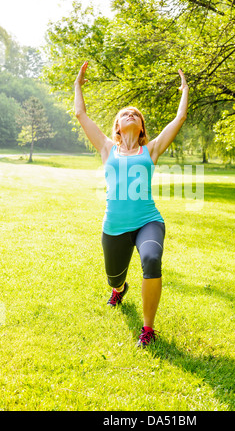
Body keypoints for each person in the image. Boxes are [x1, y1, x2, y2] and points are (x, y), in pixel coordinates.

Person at [74, 61, 189, 347]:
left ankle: (147, 329)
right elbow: (80, 114)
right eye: (125, 113)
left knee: (151, 259)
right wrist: (77, 86)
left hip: (148, 220)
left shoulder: (151, 150)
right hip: (114, 226)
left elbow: (179, 119)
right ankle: (119, 288)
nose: (130, 114)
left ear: (141, 129)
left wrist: (184, 90)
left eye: (135, 114)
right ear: (117, 127)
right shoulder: (106, 147)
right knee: (114, 277)